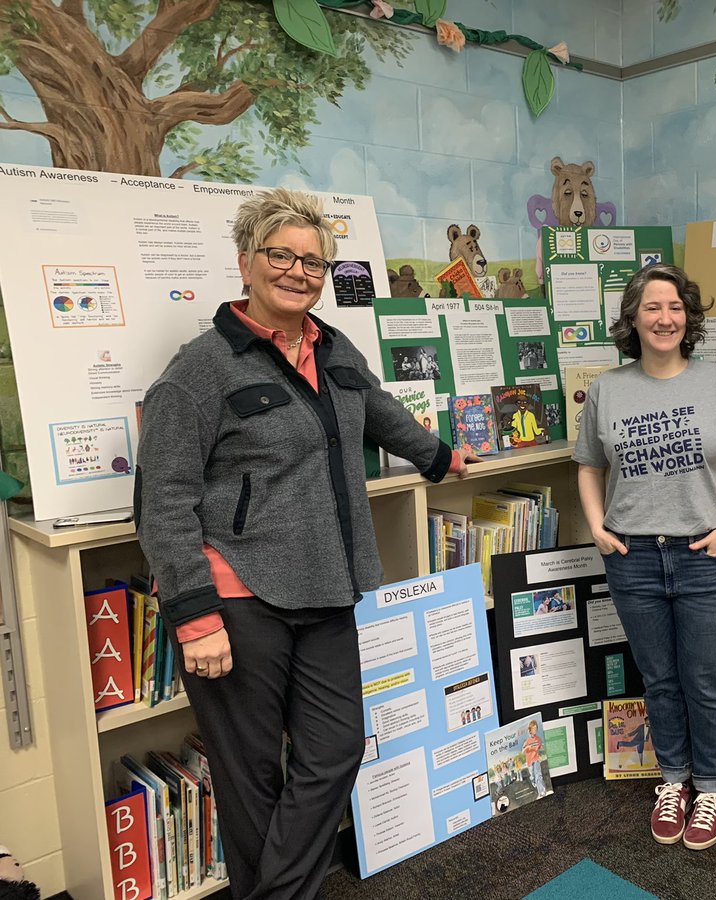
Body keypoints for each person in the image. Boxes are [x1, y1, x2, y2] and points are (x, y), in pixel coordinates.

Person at [134, 187, 480, 900]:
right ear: (246, 262)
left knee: (334, 751)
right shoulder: (199, 369)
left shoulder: (333, 346)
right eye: (282, 256)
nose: (298, 271)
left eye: (313, 262)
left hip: (325, 583)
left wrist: (439, 457)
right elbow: (162, 498)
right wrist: (196, 616)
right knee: (251, 774)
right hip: (239, 597)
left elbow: (377, 410)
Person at [574, 263, 716, 851]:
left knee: (705, 678)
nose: (664, 317)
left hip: (706, 553)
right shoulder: (607, 387)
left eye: (675, 307)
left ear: (689, 317)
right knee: (658, 678)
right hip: (632, 555)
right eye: (652, 307)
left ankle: (711, 787)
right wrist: (598, 528)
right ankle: (673, 779)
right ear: (633, 318)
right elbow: (587, 465)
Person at [523, 720, 548, 798]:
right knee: (533, 776)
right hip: (529, 761)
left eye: (536, 728)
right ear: (530, 730)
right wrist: (527, 747)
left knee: (538, 775)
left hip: (536, 759)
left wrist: (544, 748)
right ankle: (533, 781)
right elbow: (523, 751)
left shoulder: (538, 739)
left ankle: (542, 791)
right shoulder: (527, 741)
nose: (535, 730)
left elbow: (540, 747)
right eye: (533, 728)